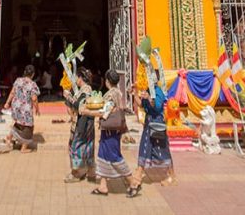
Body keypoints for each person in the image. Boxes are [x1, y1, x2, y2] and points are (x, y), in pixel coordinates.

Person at [84, 69, 141, 198]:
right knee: (103, 156)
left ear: (107, 81)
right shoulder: (119, 93)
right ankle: (103, 186)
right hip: (111, 130)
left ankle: (132, 182)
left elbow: (104, 113)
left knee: (114, 157)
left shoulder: (111, 95)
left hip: (111, 131)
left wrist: (86, 112)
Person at [132, 71, 175, 186]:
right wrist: (134, 93)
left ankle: (172, 175)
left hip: (157, 123)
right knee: (145, 147)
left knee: (163, 149)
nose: (148, 79)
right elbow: (142, 105)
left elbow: (157, 106)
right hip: (148, 123)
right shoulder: (147, 90)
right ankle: (138, 174)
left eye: (150, 77)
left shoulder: (158, 91)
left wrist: (150, 99)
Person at [63, 68, 96, 183]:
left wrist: (68, 97)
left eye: (76, 77)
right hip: (86, 122)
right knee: (88, 146)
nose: (75, 79)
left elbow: (79, 106)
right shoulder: (82, 90)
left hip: (83, 123)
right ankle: (90, 171)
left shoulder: (86, 91)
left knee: (75, 146)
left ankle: (76, 173)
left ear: (81, 78)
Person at [0, 64, 40, 153]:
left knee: (18, 123)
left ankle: (9, 138)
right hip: (25, 109)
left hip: (16, 107)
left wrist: (7, 103)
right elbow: (34, 98)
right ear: (33, 74)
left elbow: (12, 92)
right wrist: (37, 108)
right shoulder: (32, 84)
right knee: (28, 127)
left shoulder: (18, 80)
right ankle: (23, 148)